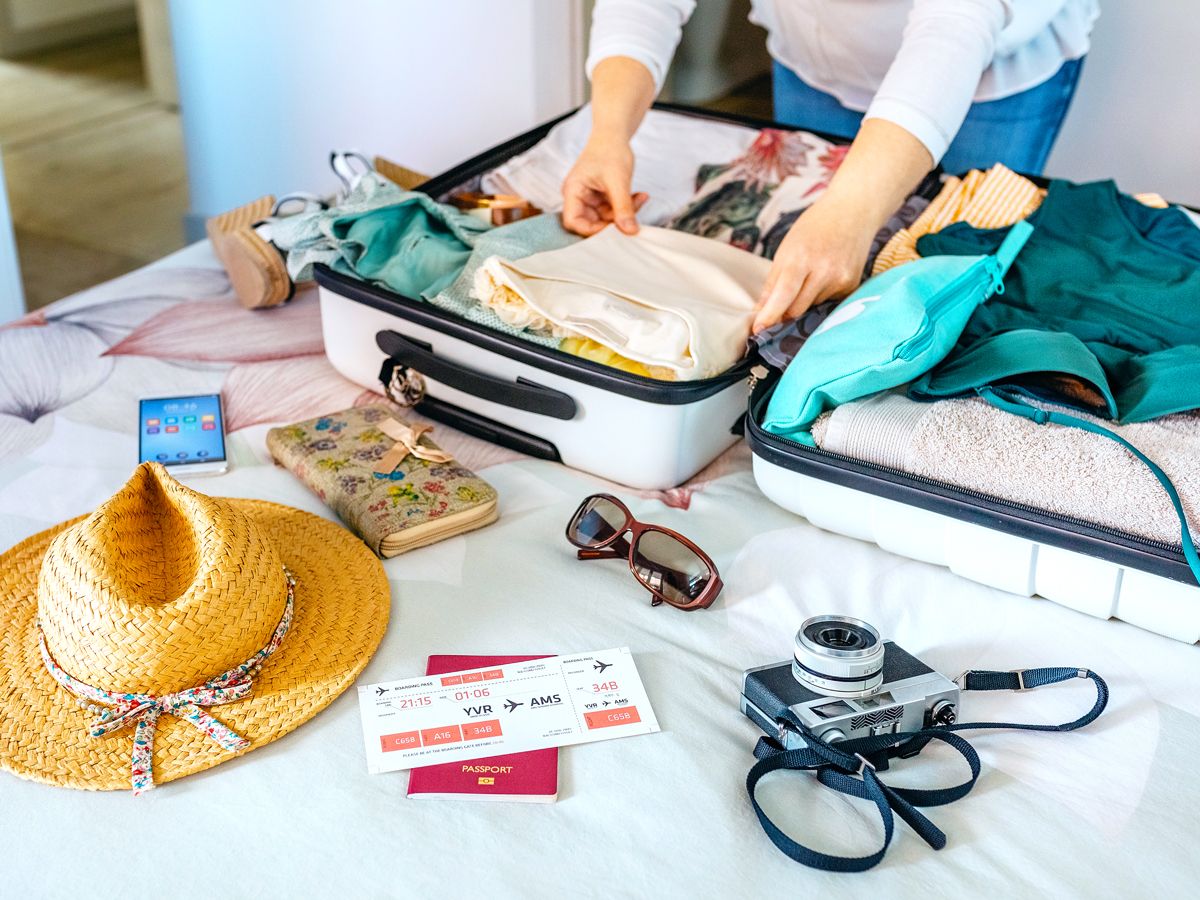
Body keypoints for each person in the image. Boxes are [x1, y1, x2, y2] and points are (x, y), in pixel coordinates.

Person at [562, 0, 1097, 332]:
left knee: (957, 281)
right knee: (815, 264)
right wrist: (608, 133)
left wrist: (851, 210)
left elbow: (956, 23)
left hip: (985, 73)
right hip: (814, 55)